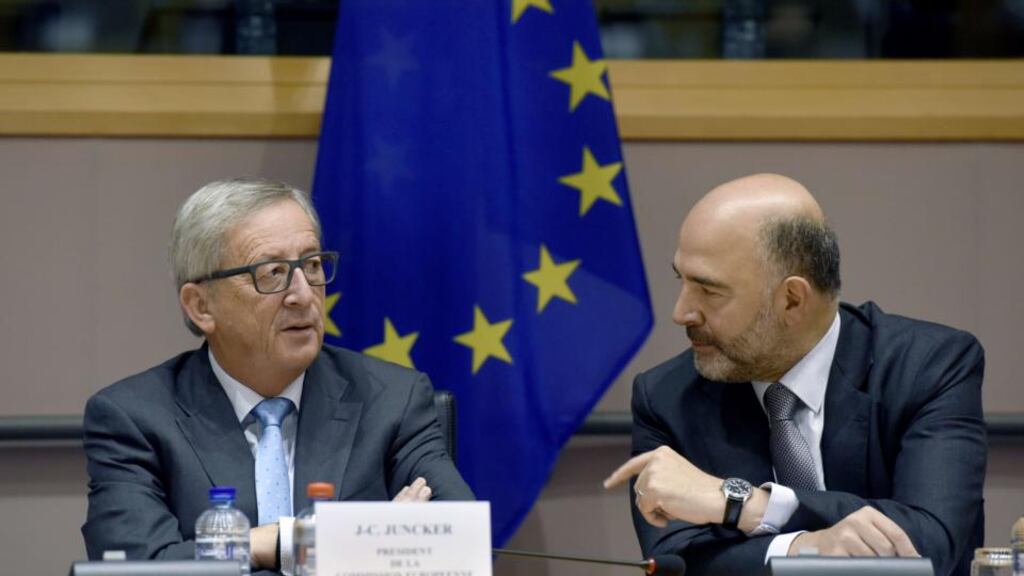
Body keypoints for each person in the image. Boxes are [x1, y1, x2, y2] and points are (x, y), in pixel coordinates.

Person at [82, 178, 473, 574]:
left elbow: (456, 544)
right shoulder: (134, 418)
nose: (303, 294)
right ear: (201, 306)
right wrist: (301, 541)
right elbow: (133, 567)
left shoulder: (392, 399)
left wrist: (250, 547)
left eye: (312, 265)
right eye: (271, 273)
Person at [603, 174, 986, 576]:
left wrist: (747, 505)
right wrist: (805, 547)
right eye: (682, 280)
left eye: (709, 291)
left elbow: (930, 543)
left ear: (792, 299)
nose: (682, 313)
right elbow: (678, 565)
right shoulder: (667, 398)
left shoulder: (929, 366)